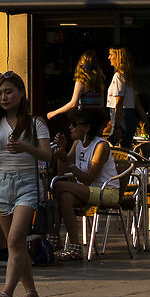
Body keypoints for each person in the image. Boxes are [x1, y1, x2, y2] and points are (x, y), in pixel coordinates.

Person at [0, 72, 56, 297]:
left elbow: (47, 155)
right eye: (0, 93)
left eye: (9, 91)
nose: (4, 97)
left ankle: (6, 292)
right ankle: (32, 292)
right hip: (2, 183)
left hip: (28, 183)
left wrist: (25, 147)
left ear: (21, 93)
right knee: (14, 244)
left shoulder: (36, 123)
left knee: (16, 239)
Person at [52, 108, 121, 253]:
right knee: (64, 197)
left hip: (106, 192)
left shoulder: (101, 145)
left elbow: (89, 178)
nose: (70, 127)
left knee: (57, 186)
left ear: (87, 127)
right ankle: (74, 247)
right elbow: (63, 172)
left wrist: (68, 162)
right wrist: (61, 151)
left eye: (74, 124)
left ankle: (53, 237)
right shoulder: (78, 143)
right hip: (86, 190)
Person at [45, 53, 104, 125]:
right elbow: (101, 105)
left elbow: (73, 104)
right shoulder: (99, 81)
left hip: (85, 120)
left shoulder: (81, 82)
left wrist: (55, 112)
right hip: (98, 119)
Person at [106, 48, 140, 148]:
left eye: (111, 54)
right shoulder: (129, 76)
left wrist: (116, 126)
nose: (109, 57)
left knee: (117, 147)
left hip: (121, 115)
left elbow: (119, 102)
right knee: (125, 146)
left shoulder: (118, 76)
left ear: (118, 57)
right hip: (127, 115)